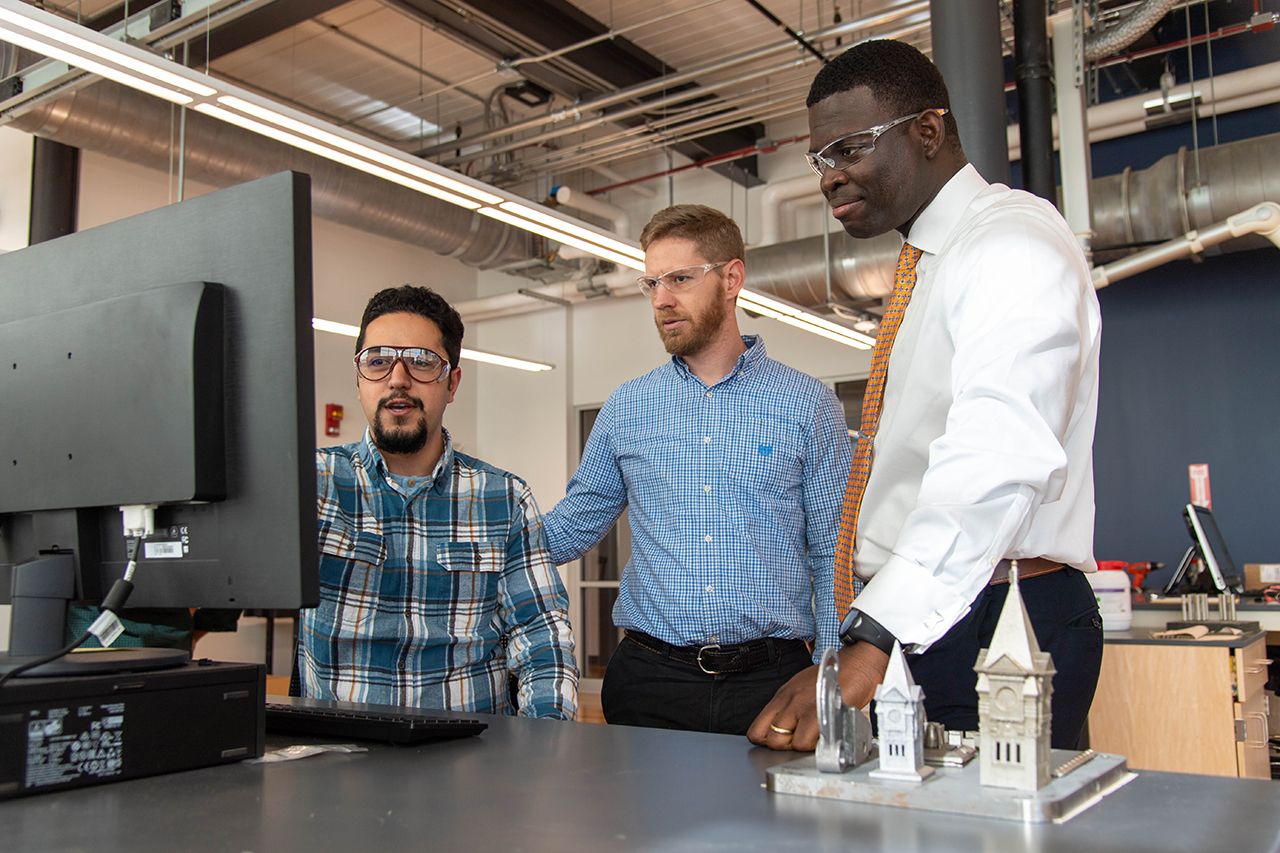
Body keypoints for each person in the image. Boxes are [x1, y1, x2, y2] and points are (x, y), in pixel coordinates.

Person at [749, 39, 1103, 751]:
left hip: (994, 618)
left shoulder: (1010, 244)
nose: (828, 177)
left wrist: (878, 635)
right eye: (820, 159)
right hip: (930, 615)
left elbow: (995, 455)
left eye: (848, 148)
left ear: (929, 131)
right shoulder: (933, 264)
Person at [543, 205, 852, 735]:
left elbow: (833, 552)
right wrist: (472, 535)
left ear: (731, 278)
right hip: (649, 681)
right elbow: (574, 524)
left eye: (680, 279)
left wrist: (830, 676)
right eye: (652, 283)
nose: (662, 299)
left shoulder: (808, 404)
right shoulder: (628, 406)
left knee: (767, 820)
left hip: (772, 683)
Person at [297, 285, 577, 720]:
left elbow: (541, 634)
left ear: (452, 384)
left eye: (422, 363)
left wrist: (543, 747)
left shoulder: (504, 498)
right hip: (338, 759)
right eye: (377, 362)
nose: (397, 379)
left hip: (470, 763)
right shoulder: (311, 484)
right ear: (358, 381)